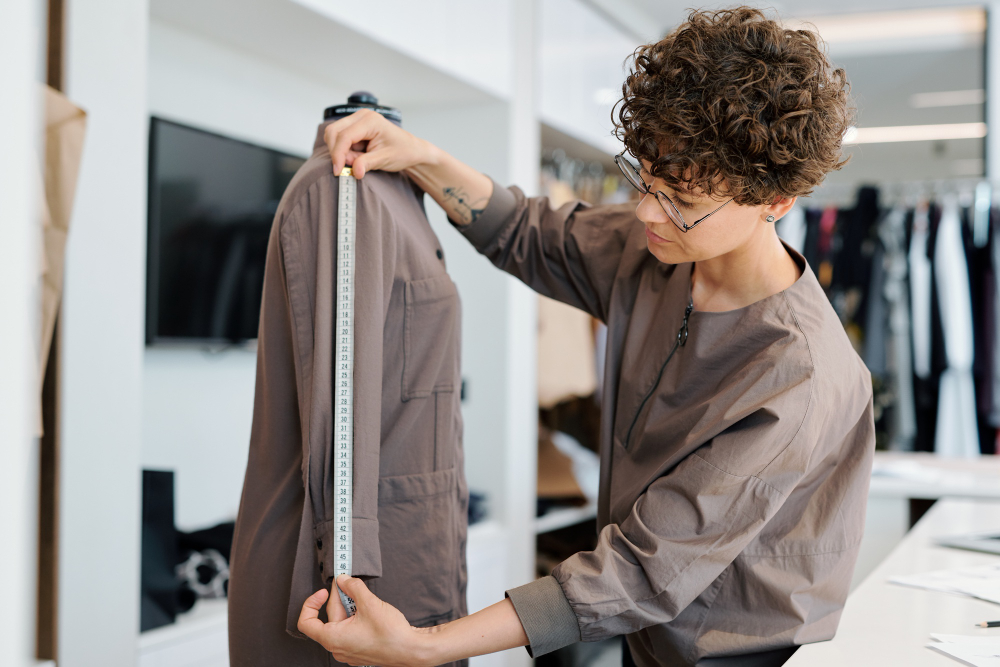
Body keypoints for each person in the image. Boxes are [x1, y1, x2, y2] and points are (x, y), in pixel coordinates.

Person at [291, 7, 874, 667]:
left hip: (733, 654)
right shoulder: (654, 250)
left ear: (776, 200)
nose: (649, 212)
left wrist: (424, 645)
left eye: (681, 202)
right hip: (649, 635)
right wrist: (419, 156)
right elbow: (526, 231)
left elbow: (642, 569)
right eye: (644, 180)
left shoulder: (800, 374)